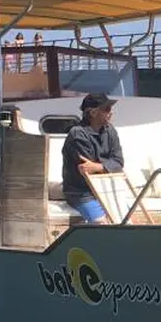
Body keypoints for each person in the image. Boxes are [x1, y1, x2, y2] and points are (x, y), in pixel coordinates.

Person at [63, 92, 124, 224]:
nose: (111, 112)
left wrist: (99, 166)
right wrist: (108, 166)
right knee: (101, 223)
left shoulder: (110, 130)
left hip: (107, 188)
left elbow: (119, 163)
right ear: (93, 113)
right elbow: (87, 170)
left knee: (127, 220)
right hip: (82, 193)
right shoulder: (77, 134)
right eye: (106, 109)